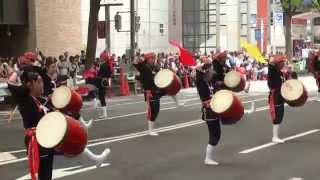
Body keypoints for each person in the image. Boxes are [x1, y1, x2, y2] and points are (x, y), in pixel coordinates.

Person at [133, 53, 167, 136]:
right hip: (149, 92)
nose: (153, 59)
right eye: (151, 58)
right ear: (147, 59)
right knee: (152, 110)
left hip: (156, 90)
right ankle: (150, 130)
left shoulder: (155, 67)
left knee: (157, 109)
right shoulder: (144, 66)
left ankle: (151, 129)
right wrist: (139, 57)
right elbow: (135, 63)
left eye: (153, 58)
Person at [268, 55, 287, 143]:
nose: (284, 63)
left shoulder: (279, 72)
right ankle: (274, 137)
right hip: (275, 96)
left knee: (280, 115)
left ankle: (275, 136)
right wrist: (271, 62)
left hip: (280, 96)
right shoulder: (273, 71)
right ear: (278, 63)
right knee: (277, 116)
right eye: (282, 62)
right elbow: (271, 68)